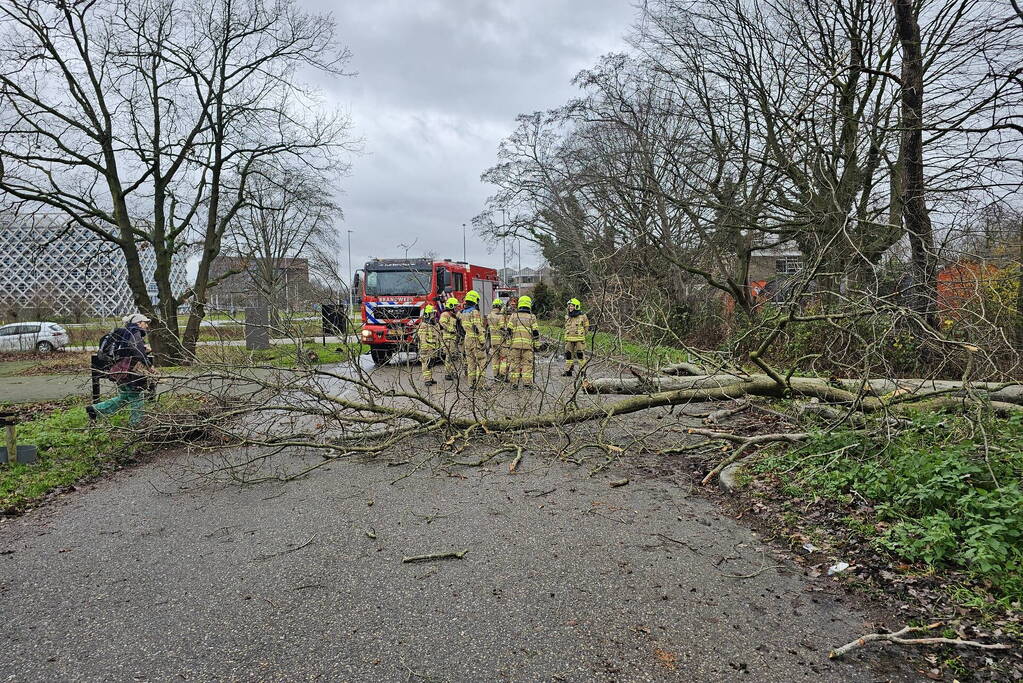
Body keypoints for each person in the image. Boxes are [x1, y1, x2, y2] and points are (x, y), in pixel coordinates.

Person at [86, 313, 156, 426]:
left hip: (118, 371)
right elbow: (137, 351)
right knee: (137, 397)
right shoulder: (134, 332)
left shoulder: (123, 333)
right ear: (138, 323)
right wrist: (148, 365)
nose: (147, 326)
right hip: (129, 372)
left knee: (123, 397)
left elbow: (126, 350)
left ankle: (94, 409)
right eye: (145, 323)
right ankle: (136, 425)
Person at [505, 295, 539, 389]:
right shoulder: (532, 317)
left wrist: (508, 344)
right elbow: (535, 333)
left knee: (514, 364)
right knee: (527, 364)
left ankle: (514, 384)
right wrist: (537, 346)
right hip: (527, 346)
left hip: (515, 346)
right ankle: (527, 384)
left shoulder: (514, 316)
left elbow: (508, 331)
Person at [457, 290, 487, 387]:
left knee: (471, 363)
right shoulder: (474, 312)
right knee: (481, 361)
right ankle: (481, 385)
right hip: (475, 340)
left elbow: (459, 325)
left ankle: (471, 383)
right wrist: (483, 341)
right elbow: (477, 327)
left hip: (467, 339)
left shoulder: (462, 312)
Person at [562, 297, 590, 376]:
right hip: (569, 339)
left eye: (572, 306)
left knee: (580, 355)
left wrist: (583, 334)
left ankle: (583, 372)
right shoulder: (567, 316)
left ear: (576, 306)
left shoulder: (583, 316)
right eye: (569, 306)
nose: (570, 308)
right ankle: (568, 371)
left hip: (579, 340)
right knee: (568, 355)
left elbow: (586, 327)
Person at [417, 304, 441, 385]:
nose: (434, 315)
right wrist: (424, 349)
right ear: (427, 315)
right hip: (426, 348)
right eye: (432, 314)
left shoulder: (434, 325)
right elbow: (422, 338)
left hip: (433, 348)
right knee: (425, 363)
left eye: (434, 314)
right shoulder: (424, 325)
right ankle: (427, 380)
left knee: (431, 363)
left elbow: (438, 336)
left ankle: (430, 378)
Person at [439, 297, 461, 381]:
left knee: (453, 356)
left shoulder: (453, 315)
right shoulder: (445, 314)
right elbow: (442, 322)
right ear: (451, 305)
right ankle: (448, 373)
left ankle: (451, 371)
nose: (456, 308)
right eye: (455, 306)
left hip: (453, 339)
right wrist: (450, 330)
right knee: (449, 357)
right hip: (448, 339)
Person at [487, 298, 509, 381]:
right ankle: (502, 375)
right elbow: (502, 327)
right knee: (504, 358)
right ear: (500, 306)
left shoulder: (489, 316)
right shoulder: (500, 316)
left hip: (493, 341)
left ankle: (495, 375)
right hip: (501, 341)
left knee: (495, 358)